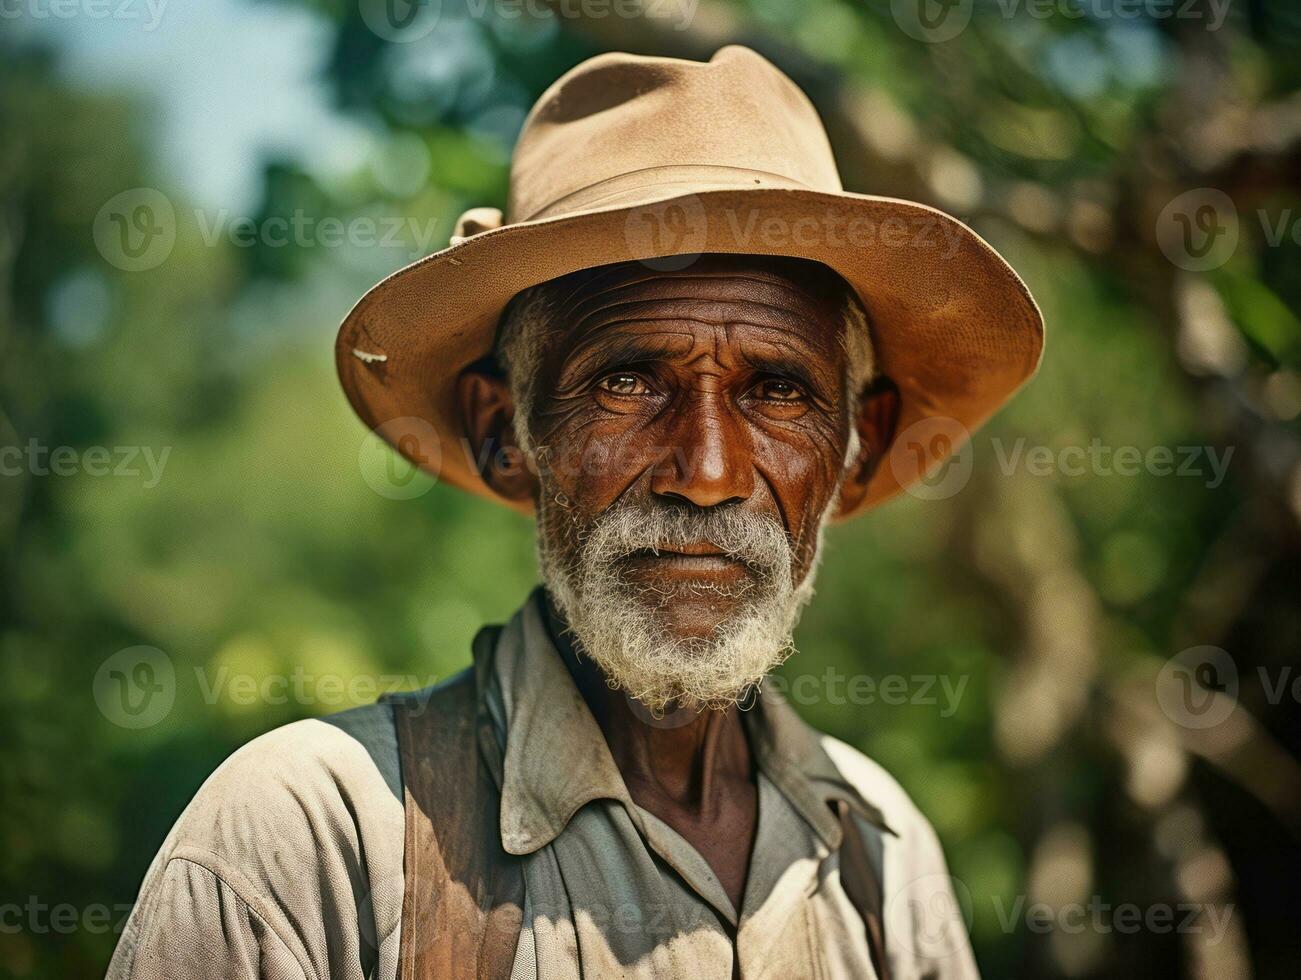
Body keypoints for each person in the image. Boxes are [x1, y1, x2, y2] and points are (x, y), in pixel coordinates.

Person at [108, 45, 1042, 980]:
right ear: (503, 432)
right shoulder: (312, 839)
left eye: (778, 391)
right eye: (628, 382)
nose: (707, 472)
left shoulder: (882, 858)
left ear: (857, 446)